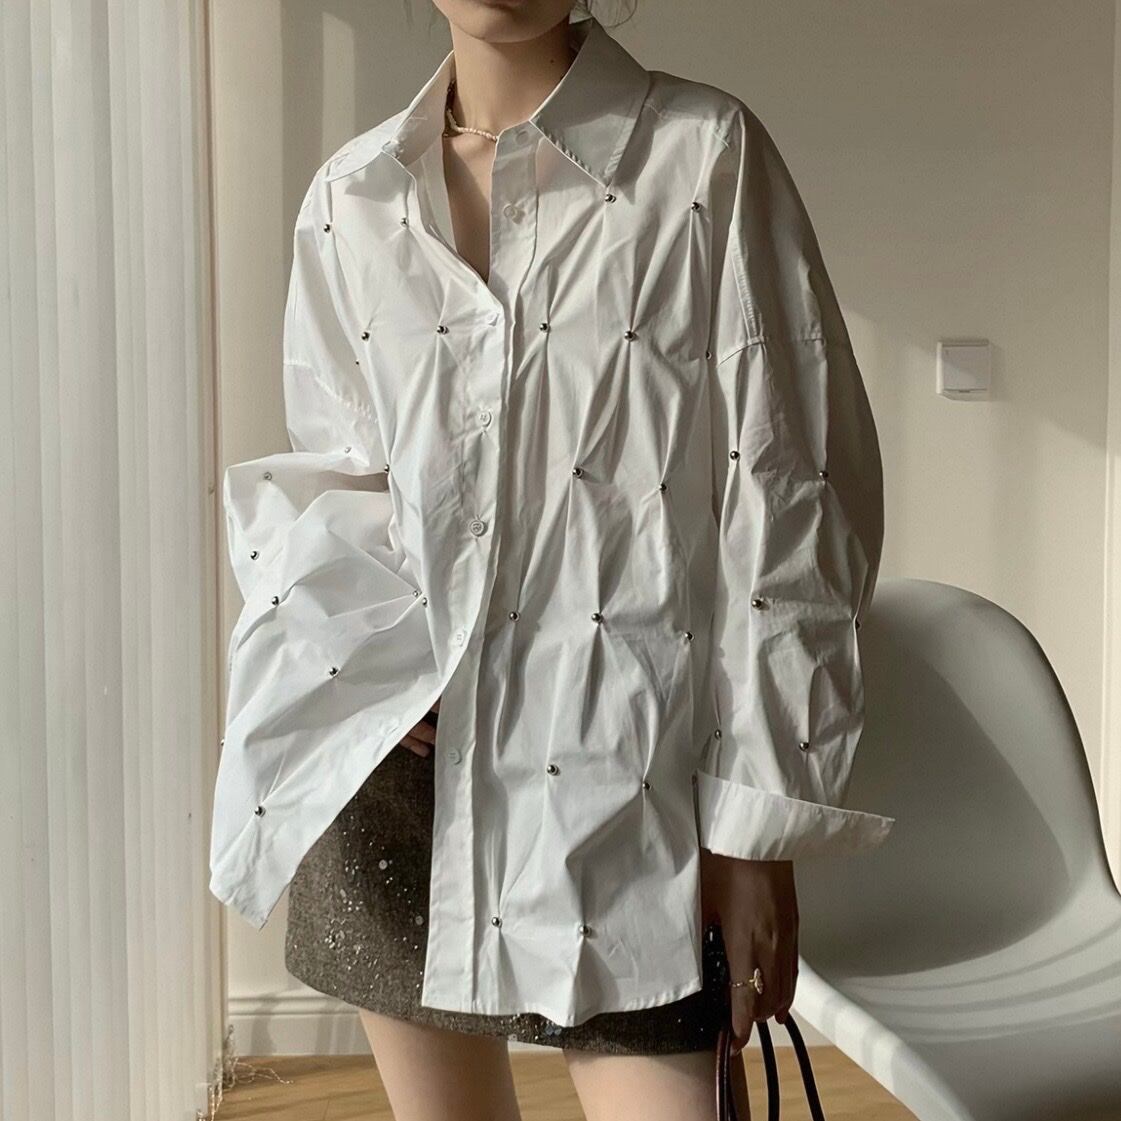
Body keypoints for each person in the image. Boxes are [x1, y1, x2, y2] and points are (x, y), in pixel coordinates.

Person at [209, 1, 896, 1118]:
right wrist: (364, 648)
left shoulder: (702, 156)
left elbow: (789, 499)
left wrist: (754, 834)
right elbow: (344, 477)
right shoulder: (354, 196)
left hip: (629, 785)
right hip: (395, 772)